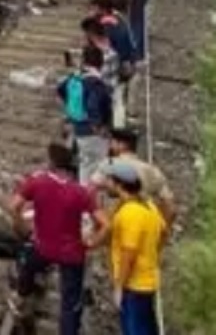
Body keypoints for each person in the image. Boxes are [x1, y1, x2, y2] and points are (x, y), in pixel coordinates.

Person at [9, 142, 107, 335]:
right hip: (72, 253)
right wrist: (93, 242)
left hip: (42, 246)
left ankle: (21, 298)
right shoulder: (80, 193)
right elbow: (106, 224)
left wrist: (21, 226)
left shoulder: (37, 182)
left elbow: (13, 207)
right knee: (70, 304)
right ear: (71, 169)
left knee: (26, 262)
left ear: (52, 164)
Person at [105, 162, 166, 335]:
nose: (106, 184)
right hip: (148, 280)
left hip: (134, 285)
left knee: (134, 330)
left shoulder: (130, 213)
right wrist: (151, 254)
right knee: (147, 327)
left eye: (109, 180)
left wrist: (119, 287)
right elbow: (164, 231)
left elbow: (128, 254)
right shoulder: (150, 206)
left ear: (120, 184)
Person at [58, 45, 113, 187]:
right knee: (99, 164)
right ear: (100, 62)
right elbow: (93, 105)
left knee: (85, 162)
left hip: (78, 126)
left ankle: (82, 190)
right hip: (93, 132)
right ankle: (91, 197)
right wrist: (97, 125)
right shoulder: (95, 82)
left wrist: (70, 107)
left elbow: (60, 88)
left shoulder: (76, 76)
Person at [97, 129, 176, 226]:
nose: (109, 147)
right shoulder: (152, 170)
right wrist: (163, 232)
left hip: (116, 227)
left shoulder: (108, 165)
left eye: (112, 143)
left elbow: (93, 195)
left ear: (122, 145)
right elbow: (171, 208)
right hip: (144, 227)